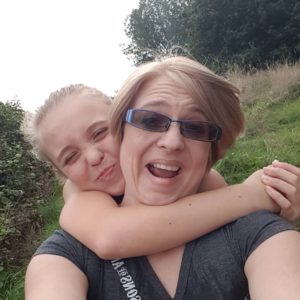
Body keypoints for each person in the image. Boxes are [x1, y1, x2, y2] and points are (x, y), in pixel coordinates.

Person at [24, 57, 300, 299]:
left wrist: (273, 207)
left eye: (99, 133)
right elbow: (109, 236)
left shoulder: (228, 205)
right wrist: (252, 195)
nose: (94, 157)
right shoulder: (76, 222)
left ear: (120, 123)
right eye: (70, 157)